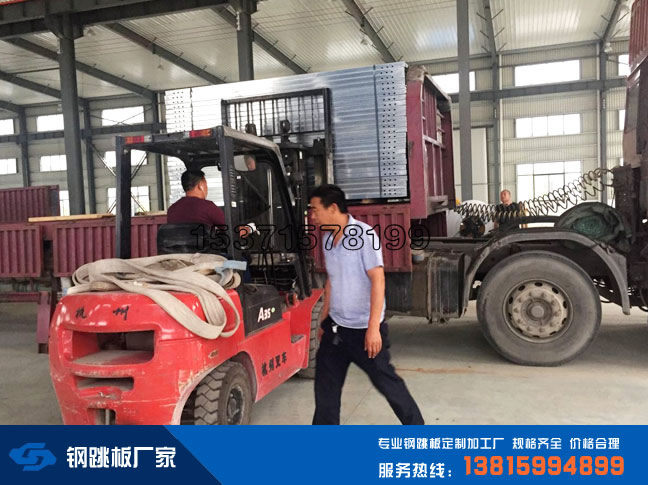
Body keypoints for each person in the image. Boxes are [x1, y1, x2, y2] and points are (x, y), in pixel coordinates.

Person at [309, 184, 424, 425]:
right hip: (336, 329)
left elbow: (378, 279)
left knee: (388, 384)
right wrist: (324, 318)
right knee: (325, 389)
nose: (312, 216)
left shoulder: (363, 236)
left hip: (364, 331)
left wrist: (373, 328)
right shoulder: (328, 239)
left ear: (332, 208)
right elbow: (332, 280)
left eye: (315, 210)